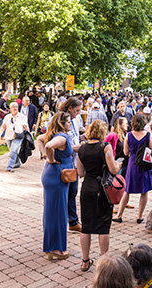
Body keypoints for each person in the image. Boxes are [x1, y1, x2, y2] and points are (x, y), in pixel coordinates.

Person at [77, 120, 120, 271]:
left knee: (86, 226)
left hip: (87, 187)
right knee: (103, 226)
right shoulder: (105, 147)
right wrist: (119, 165)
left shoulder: (82, 148)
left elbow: (80, 172)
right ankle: (103, 261)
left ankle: (85, 260)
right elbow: (113, 169)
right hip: (101, 189)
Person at [41, 112, 75, 261]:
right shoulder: (61, 137)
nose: (70, 124)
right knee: (58, 213)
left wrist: (45, 154)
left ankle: (51, 246)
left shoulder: (53, 135)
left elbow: (40, 139)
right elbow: (48, 145)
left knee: (51, 212)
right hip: (57, 177)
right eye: (68, 122)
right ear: (62, 123)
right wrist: (50, 158)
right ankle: (56, 248)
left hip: (53, 175)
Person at [114, 114, 152, 223]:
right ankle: (139, 216)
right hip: (144, 164)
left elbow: (125, 152)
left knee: (127, 191)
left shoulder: (128, 135)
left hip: (132, 164)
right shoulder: (148, 135)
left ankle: (119, 215)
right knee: (144, 191)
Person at [58, 97, 84, 232]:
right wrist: (72, 148)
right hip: (65, 163)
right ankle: (70, 220)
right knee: (67, 194)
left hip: (74, 163)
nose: (78, 113)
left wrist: (82, 138)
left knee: (73, 193)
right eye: (77, 110)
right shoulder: (60, 121)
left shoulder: (73, 121)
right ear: (70, 108)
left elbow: (74, 137)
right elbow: (50, 140)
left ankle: (72, 221)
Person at [0, 102, 29, 172]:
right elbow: (3, 126)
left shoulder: (22, 116)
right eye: (13, 107)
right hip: (9, 136)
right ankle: (18, 162)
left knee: (13, 151)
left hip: (18, 135)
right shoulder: (7, 117)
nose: (15, 108)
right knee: (13, 151)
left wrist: (29, 135)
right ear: (10, 109)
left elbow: (25, 126)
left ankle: (10, 166)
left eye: (16, 106)